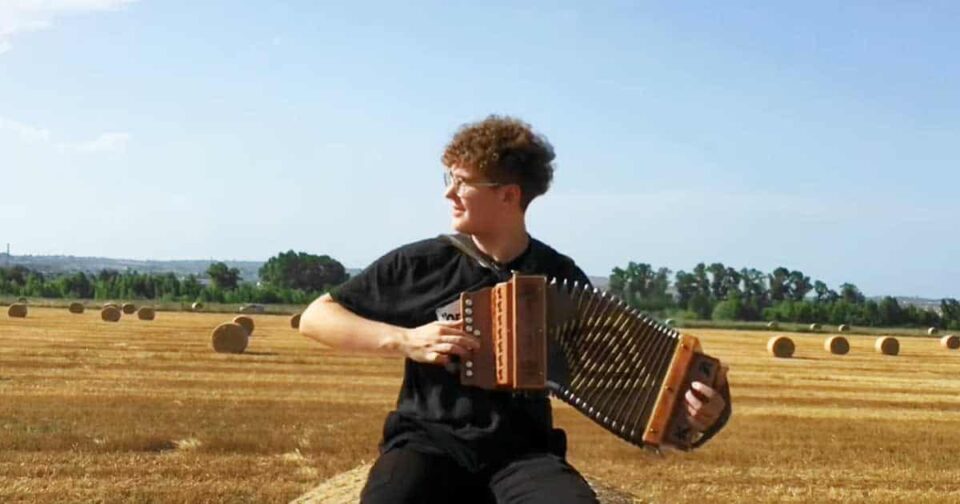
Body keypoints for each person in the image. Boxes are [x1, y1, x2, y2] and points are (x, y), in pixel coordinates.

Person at [299, 115, 731, 504]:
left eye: (462, 181)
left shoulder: (558, 276)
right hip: (425, 444)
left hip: (523, 453)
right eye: (447, 177)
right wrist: (405, 339)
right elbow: (317, 316)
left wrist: (700, 411)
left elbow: (625, 373)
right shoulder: (420, 263)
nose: (449, 192)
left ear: (508, 195)